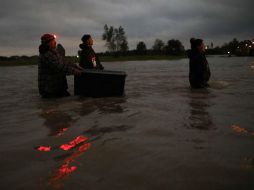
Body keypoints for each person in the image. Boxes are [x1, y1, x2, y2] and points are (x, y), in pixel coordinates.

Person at [38, 33, 83, 98]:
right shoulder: (46, 54)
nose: (55, 42)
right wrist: (76, 71)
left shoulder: (54, 52)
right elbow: (59, 67)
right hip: (50, 90)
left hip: (58, 87)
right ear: (48, 43)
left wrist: (75, 66)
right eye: (53, 41)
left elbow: (63, 62)